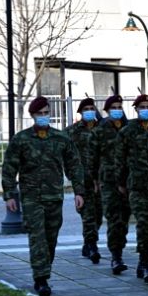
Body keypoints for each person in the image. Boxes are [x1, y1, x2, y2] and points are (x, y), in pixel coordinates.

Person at [2, 96, 85, 296]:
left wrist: (79, 191)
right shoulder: (21, 139)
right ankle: (41, 279)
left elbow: (74, 165)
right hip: (31, 197)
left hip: (54, 196)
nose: (43, 116)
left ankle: (44, 272)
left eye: (46, 112)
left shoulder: (61, 138)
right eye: (39, 113)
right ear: (32, 115)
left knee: (50, 239)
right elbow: (9, 167)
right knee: (37, 237)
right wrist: (9, 194)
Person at [115, 94, 148, 283]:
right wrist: (120, 183)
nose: (145, 109)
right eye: (142, 106)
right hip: (137, 185)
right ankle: (146, 262)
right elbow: (119, 160)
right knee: (143, 223)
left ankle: (144, 260)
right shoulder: (127, 132)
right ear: (135, 109)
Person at [90, 94, 130, 275]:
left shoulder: (129, 128)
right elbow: (92, 158)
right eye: (113, 107)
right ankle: (116, 256)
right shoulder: (100, 131)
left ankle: (119, 248)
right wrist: (94, 181)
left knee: (124, 220)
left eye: (119, 107)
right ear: (106, 110)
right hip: (109, 181)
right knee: (114, 218)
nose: (117, 110)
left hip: (128, 181)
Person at [65, 97, 102, 264]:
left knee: (99, 216)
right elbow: (66, 156)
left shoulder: (102, 129)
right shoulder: (72, 132)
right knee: (88, 215)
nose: (89, 111)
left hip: (101, 180)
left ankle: (88, 242)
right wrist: (73, 177)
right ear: (80, 112)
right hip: (82, 180)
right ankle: (93, 246)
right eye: (86, 109)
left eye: (91, 108)